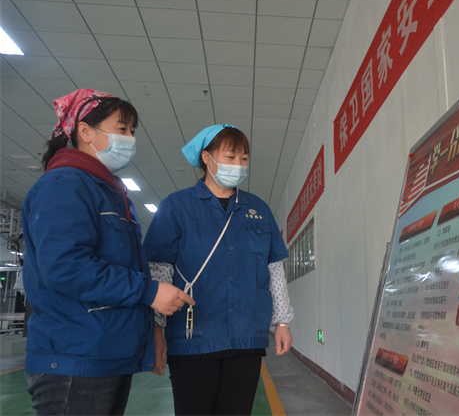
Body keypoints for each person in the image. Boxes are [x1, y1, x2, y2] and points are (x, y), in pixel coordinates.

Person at [21, 89, 194, 415]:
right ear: (85, 131)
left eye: (132, 131)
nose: (130, 139)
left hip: (105, 353)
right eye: (121, 129)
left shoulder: (110, 193)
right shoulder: (64, 185)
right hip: (75, 357)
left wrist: (152, 330)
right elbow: (66, 267)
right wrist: (150, 291)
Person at [143, 124, 294, 415]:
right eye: (230, 157)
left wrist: (282, 322)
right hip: (192, 337)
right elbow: (159, 271)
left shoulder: (258, 209)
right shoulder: (176, 207)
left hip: (246, 337)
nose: (238, 165)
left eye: (244, 158)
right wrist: (156, 327)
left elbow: (274, 268)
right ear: (207, 158)